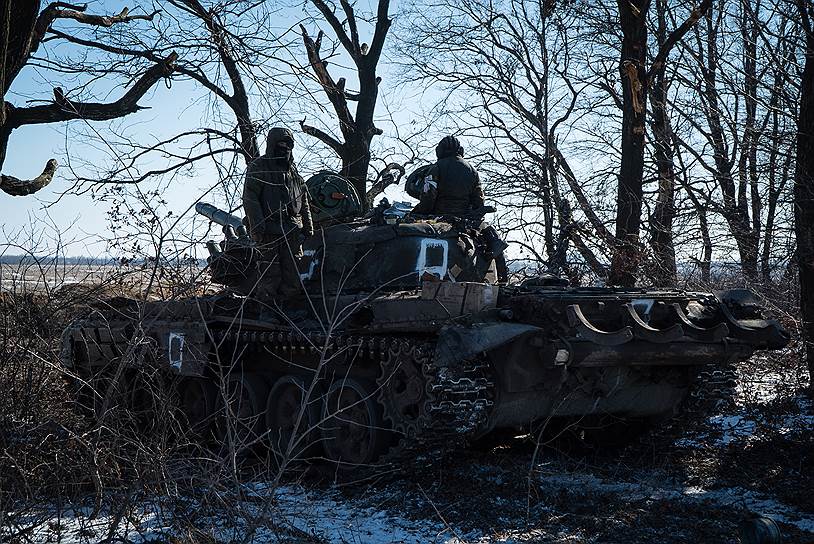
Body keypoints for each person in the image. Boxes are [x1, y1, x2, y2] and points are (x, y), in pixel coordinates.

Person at [243, 127, 313, 294]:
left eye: (288, 144)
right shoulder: (259, 167)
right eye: (281, 143)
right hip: (269, 231)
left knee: (293, 273)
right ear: (272, 144)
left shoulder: (294, 173)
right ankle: (269, 311)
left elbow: (304, 201)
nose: (285, 148)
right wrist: (258, 227)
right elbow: (250, 199)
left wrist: (308, 227)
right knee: (269, 274)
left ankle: (291, 309)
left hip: (293, 231)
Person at [412, 135, 485, 216]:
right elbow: (479, 200)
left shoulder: (437, 167)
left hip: (439, 216)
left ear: (440, 150)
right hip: (464, 219)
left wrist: (421, 211)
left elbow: (429, 195)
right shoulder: (472, 170)